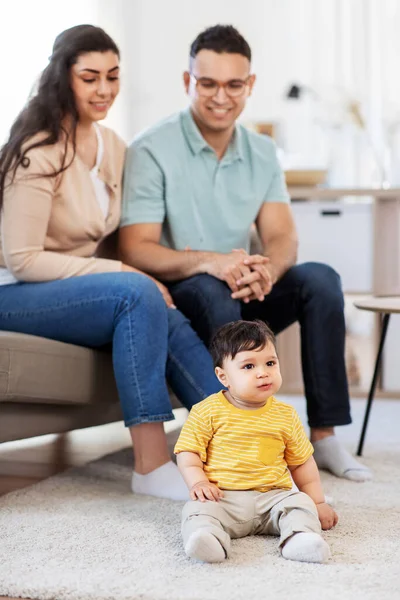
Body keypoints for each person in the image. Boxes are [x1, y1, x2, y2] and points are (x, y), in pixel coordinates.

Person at [119, 24, 371, 482]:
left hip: (241, 284)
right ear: (187, 82)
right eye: (207, 83)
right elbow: (136, 248)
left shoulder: (261, 152)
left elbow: (282, 236)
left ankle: (325, 437)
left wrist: (268, 271)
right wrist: (212, 261)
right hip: (186, 289)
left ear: (249, 85)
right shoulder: (150, 149)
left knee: (320, 280)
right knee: (215, 290)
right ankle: (239, 434)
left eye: (234, 84)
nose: (221, 97)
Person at [0, 24, 222, 502]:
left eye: (113, 76)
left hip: (71, 289)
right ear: (63, 77)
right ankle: (150, 465)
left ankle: (238, 439)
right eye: (90, 77)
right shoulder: (37, 149)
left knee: (161, 306)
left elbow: (114, 243)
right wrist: (127, 274)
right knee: (137, 291)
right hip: (13, 292)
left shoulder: (114, 146)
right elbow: (22, 260)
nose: (104, 89)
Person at [174, 320, 338, 564]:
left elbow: (302, 464)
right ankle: (208, 539)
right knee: (196, 510)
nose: (263, 372)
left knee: (300, 505)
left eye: (270, 363)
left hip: (274, 497)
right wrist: (198, 482)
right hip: (223, 498)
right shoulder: (206, 411)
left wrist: (317, 501)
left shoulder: (285, 414)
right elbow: (188, 453)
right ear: (223, 376)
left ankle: (299, 539)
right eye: (249, 366)